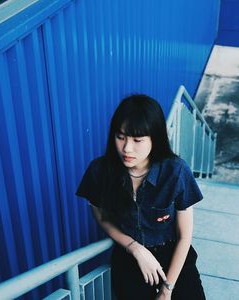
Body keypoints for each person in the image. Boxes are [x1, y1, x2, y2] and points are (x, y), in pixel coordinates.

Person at [76, 95, 206, 300]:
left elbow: (184, 236)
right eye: (120, 137)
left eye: (137, 140)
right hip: (129, 258)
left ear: (155, 138)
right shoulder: (100, 171)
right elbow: (102, 217)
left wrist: (167, 289)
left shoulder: (176, 171)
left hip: (174, 254)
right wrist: (135, 248)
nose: (127, 148)